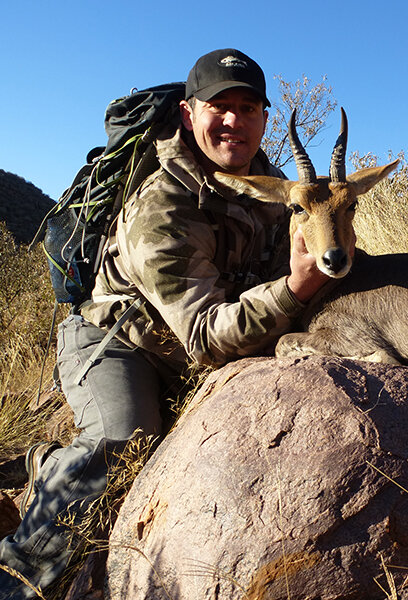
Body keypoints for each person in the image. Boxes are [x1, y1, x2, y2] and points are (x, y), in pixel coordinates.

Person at [0, 48, 331, 599]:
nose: (234, 121)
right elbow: (202, 335)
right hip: (118, 342)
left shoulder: (276, 189)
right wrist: (296, 287)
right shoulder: (163, 202)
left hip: (205, 333)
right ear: (187, 113)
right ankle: (17, 574)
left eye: (248, 108)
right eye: (219, 106)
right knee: (124, 443)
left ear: (266, 119)